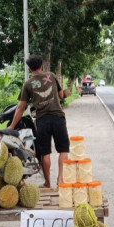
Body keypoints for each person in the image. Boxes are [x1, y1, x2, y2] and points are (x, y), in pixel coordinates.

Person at [9, 55, 69, 188]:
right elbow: (60, 95)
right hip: (58, 117)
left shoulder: (28, 84)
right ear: (42, 66)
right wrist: (66, 93)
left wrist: (12, 126)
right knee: (63, 149)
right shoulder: (52, 76)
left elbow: (21, 107)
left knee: (45, 153)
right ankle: (60, 179)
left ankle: (47, 183)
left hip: (42, 121)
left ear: (29, 69)